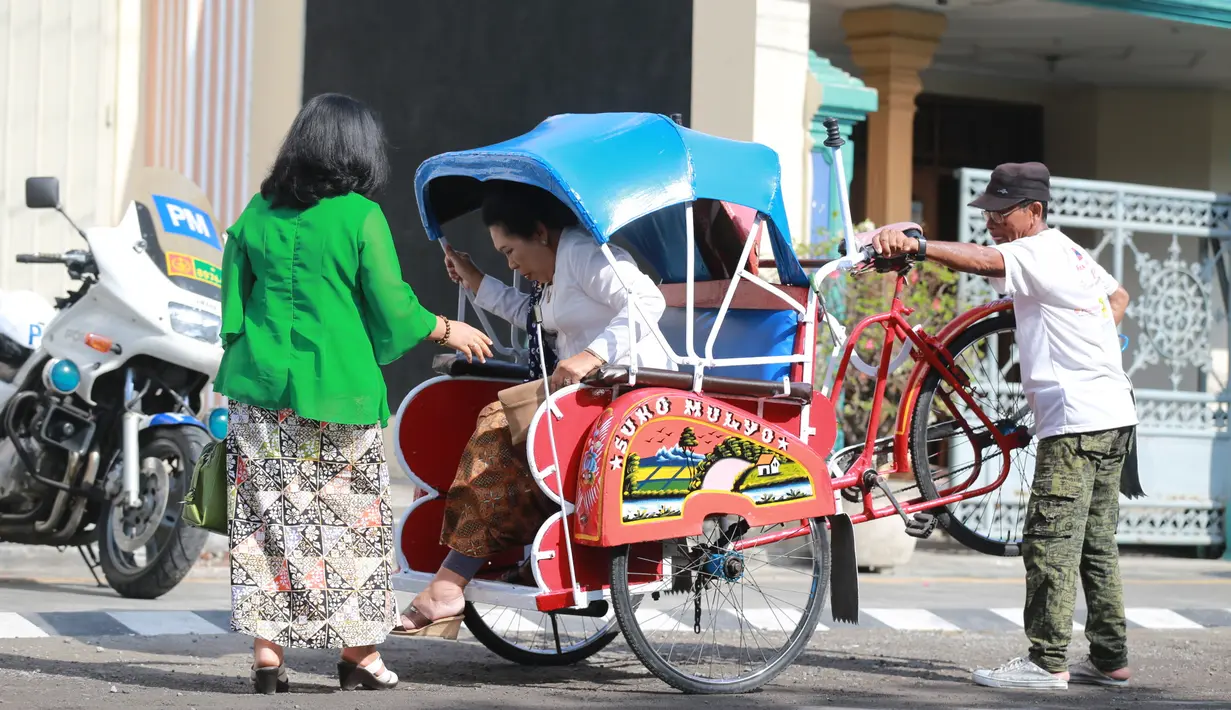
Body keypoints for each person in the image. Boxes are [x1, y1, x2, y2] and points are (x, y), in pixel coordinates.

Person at [215, 92, 493, 694]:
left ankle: (268, 656)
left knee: (266, 522)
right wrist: (449, 328)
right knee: (351, 525)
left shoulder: (258, 211)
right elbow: (393, 309)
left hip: (258, 390)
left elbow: (232, 302)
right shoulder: (360, 217)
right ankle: (359, 657)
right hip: (339, 394)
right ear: (357, 151)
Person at [871, 162, 1140, 691]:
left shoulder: (1036, 251)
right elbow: (1119, 298)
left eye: (1001, 211)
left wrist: (917, 247)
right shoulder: (1069, 252)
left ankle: (1046, 662)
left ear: (1034, 212)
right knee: (1094, 543)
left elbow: (985, 260)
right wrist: (1086, 338)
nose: (990, 220)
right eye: (987, 211)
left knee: (1049, 537)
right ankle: (1110, 659)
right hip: (1115, 413)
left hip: (1078, 422)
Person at [391, 180, 670, 637]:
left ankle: (450, 582)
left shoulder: (585, 254)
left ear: (541, 232)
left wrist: (590, 356)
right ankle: (460, 573)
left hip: (631, 397)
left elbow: (647, 301)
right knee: (496, 422)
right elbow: (532, 315)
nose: (512, 264)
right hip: (586, 398)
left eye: (509, 251)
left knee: (500, 423)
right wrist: (476, 278)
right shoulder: (555, 275)